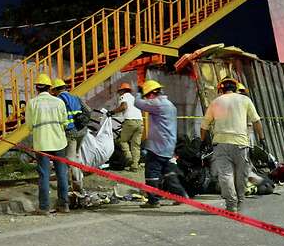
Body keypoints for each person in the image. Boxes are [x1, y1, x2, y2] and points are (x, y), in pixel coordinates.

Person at [200, 77, 265, 213]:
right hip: (241, 144)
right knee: (242, 175)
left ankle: (231, 206)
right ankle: (240, 202)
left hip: (221, 143)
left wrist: (203, 142)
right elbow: (257, 121)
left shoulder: (215, 102)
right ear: (235, 88)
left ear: (221, 89)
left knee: (226, 175)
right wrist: (262, 139)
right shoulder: (245, 100)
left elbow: (204, 126)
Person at [134, 79, 187, 208]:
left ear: (152, 93)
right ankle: (181, 195)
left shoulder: (158, 104)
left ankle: (153, 200)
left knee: (152, 173)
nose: (147, 99)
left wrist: (138, 94)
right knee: (168, 172)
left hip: (157, 146)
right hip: (168, 145)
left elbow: (138, 103)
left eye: (147, 96)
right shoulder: (169, 104)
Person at [25, 73, 70, 214]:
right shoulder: (59, 102)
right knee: (62, 174)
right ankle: (64, 205)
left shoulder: (32, 103)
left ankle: (44, 207)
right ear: (50, 88)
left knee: (44, 175)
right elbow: (64, 122)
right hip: (59, 142)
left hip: (42, 144)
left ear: (37, 88)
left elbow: (29, 126)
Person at [50, 78, 91, 193]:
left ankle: (78, 186)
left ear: (56, 90)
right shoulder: (75, 97)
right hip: (82, 131)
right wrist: (83, 121)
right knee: (77, 156)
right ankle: (78, 181)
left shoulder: (58, 100)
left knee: (70, 159)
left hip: (70, 133)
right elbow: (88, 110)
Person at [109, 82, 143, 171]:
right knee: (135, 145)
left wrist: (112, 112)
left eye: (120, 91)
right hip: (140, 122)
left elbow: (124, 107)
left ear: (123, 90)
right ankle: (135, 166)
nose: (119, 93)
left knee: (122, 141)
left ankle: (129, 158)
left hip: (130, 121)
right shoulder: (133, 98)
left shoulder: (123, 97)